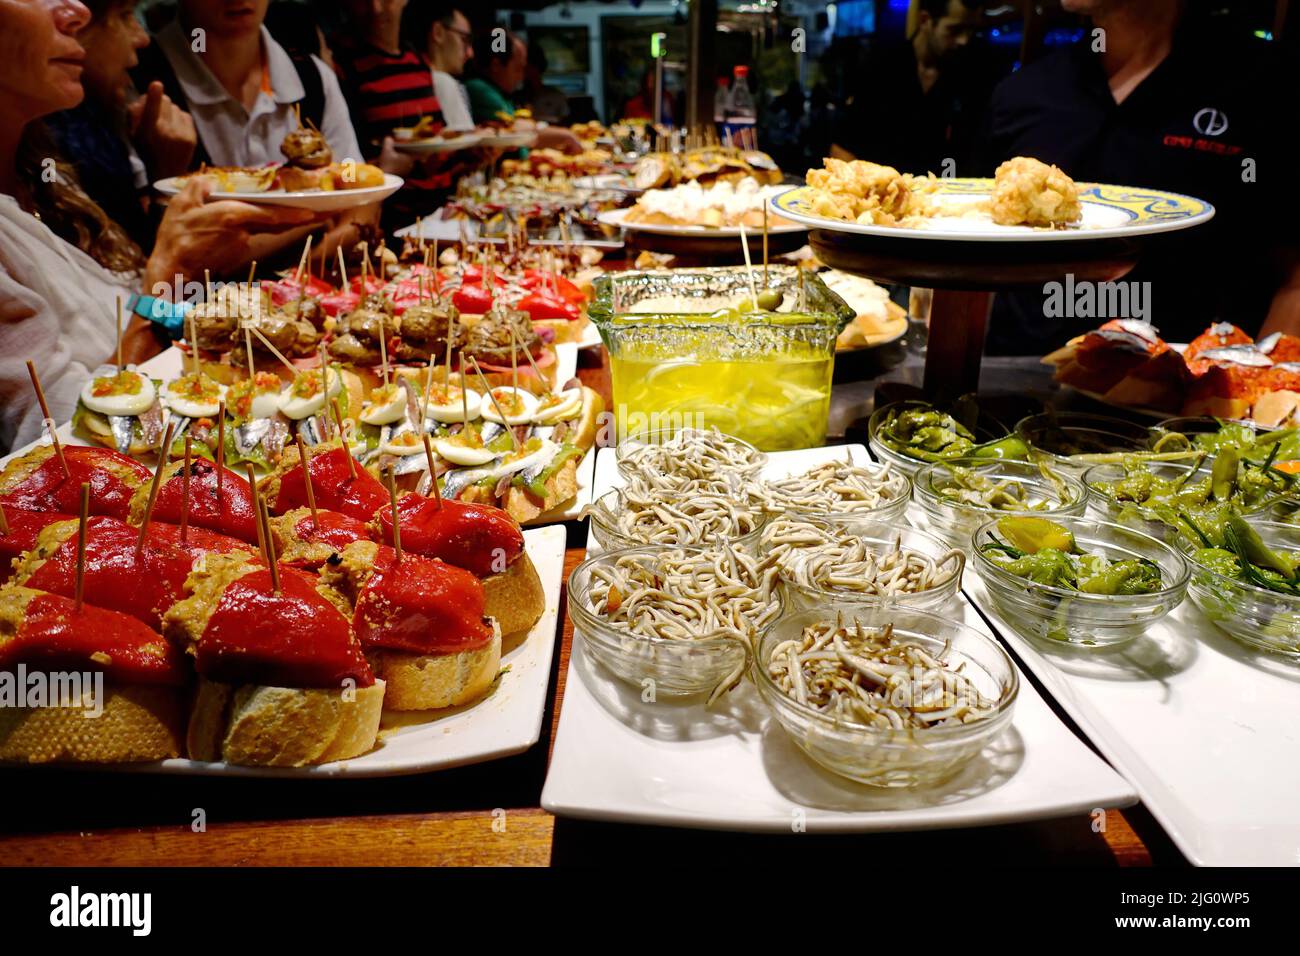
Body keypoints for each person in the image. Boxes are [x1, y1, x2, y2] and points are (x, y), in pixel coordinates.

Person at [0, 0, 316, 453]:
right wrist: (166, 278)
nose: (77, 12)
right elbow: (57, 447)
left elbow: (125, 304)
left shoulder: (46, 174)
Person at [982, 0, 1300, 353]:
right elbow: (972, 249)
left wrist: (1262, 389)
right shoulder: (1024, 92)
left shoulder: (1264, 86)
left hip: (1185, 390)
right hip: (1015, 379)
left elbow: (1294, 280)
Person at [133, 0, 370, 265]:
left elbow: (360, 189)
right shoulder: (140, 80)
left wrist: (299, 275)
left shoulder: (310, 74)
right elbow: (151, 245)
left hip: (311, 285)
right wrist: (321, 215)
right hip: (188, 299)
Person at [45, 0, 196, 252]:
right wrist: (166, 179)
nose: (142, 37)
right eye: (125, 15)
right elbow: (130, 271)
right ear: (76, 28)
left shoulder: (94, 116)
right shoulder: (57, 132)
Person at [830, 0, 987, 175]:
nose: (964, 40)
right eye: (954, 30)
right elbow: (842, 149)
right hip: (883, 195)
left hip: (943, 197)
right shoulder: (882, 68)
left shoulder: (972, 75)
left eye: (970, 30)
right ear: (925, 20)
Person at [464, 30, 581, 153]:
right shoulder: (480, 89)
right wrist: (565, 135)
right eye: (518, 68)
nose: (521, 77)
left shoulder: (500, 92)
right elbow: (514, 130)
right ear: (496, 65)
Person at [404, 2, 475, 132]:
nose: (470, 53)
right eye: (464, 39)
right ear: (438, 33)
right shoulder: (442, 82)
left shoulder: (407, 77)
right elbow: (467, 145)